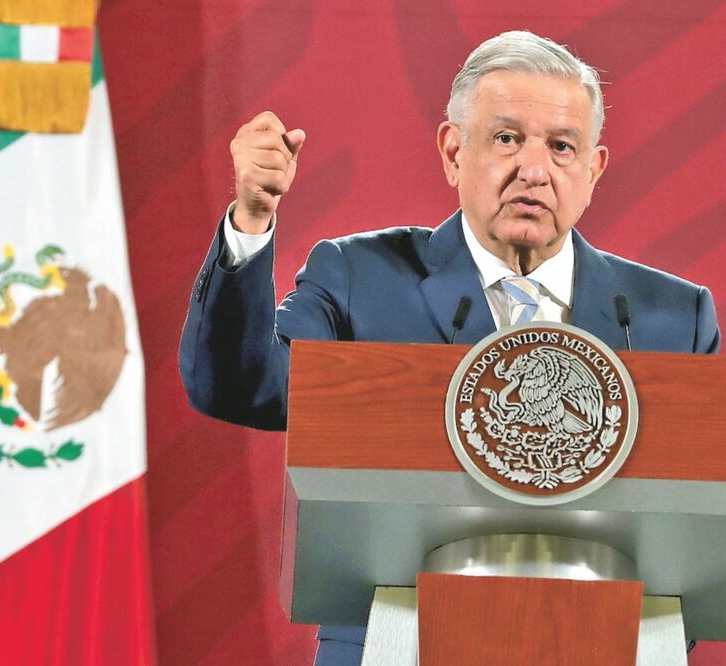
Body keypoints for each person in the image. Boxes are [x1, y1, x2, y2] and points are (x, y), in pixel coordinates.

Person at [179, 31, 720, 665]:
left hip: (609, 644)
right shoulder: (361, 280)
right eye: (507, 138)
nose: (535, 170)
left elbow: (702, 525)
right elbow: (241, 384)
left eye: (562, 147)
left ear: (594, 168)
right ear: (453, 151)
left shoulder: (670, 318)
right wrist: (250, 221)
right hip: (398, 641)